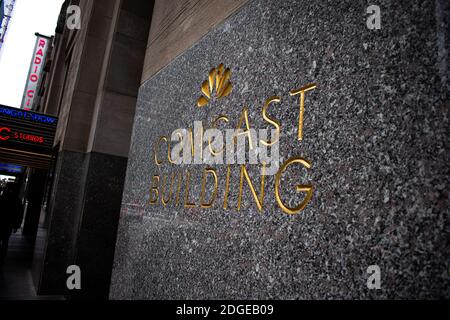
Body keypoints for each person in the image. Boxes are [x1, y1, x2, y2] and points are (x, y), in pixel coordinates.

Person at [0, 183, 23, 267]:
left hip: (1, 222)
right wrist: (16, 225)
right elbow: (19, 214)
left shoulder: (2, 197)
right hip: (8, 224)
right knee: (5, 241)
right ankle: (2, 257)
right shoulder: (17, 200)